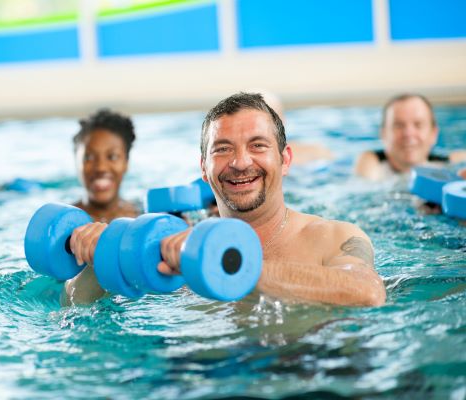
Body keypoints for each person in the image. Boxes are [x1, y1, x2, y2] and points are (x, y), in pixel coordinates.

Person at [64, 93, 386, 307]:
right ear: (203, 168)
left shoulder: (334, 237)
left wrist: (230, 267)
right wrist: (103, 259)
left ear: (286, 160)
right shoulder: (175, 248)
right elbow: (75, 306)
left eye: (258, 145)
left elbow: (369, 292)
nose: (241, 162)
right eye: (223, 149)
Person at [355, 93, 466, 180]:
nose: (408, 133)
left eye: (418, 125)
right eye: (399, 125)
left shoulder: (444, 164)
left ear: (433, 134)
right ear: (383, 134)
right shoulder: (373, 163)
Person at [71, 109, 140, 222]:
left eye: (112, 157)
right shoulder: (63, 221)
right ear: (76, 162)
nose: (100, 167)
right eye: (89, 157)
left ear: (126, 163)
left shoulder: (141, 213)